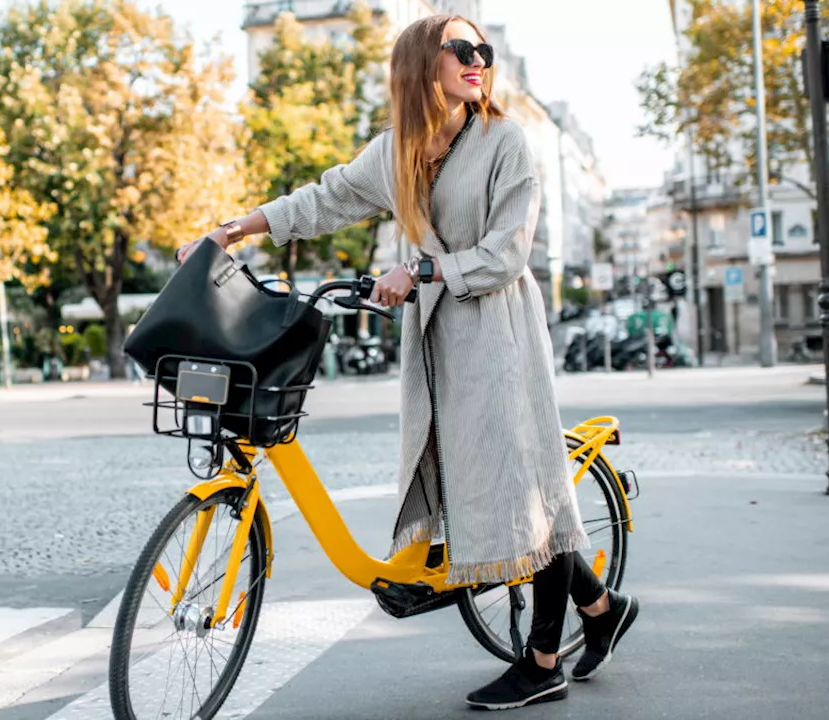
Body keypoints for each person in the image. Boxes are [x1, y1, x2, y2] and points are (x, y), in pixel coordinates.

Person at [177, 13, 639, 711]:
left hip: (500, 331)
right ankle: (601, 610)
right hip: (438, 342)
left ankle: (544, 662)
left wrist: (424, 271)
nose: (477, 59)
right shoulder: (396, 151)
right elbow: (324, 198)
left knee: (522, 491)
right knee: (485, 487)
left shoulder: (504, 141)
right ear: (424, 65)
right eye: (462, 49)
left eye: (482, 50)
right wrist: (239, 227)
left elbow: (510, 251)